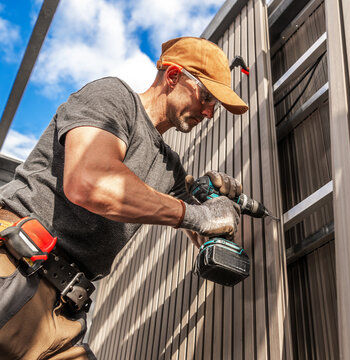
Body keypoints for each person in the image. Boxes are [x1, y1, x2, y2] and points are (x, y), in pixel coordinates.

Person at [0, 36, 248, 360]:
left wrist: (215, 204)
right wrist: (198, 215)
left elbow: (200, 226)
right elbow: (90, 183)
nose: (210, 112)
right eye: (206, 96)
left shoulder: (169, 168)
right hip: (15, 266)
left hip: (65, 312)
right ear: (173, 76)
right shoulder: (112, 97)